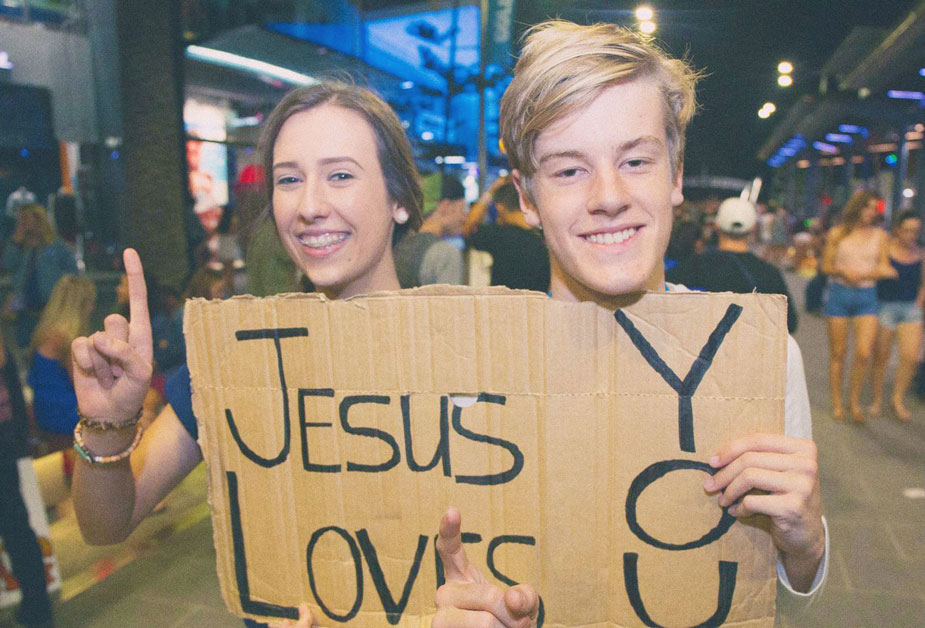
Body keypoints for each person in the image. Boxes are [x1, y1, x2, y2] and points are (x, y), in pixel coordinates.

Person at [433, 20, 827, 627]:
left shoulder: (761, 359)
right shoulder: (463, 376)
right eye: (569, 170)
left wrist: (806, 542)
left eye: (636, 160)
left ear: (674, 175)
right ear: (528, 197)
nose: (608, 195)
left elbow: (783, 580)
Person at [68, 81, 424, 628]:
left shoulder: (463, 357)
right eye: (289, 180)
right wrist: (108, 422)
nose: (309, 206)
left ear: (399, 198)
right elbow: (105, 525)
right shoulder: (235, 360)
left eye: (341, 175)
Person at [667, 196, 799, 333]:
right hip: (750, 349)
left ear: (716, 225)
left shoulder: (696, 265)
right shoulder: (770, 273)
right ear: (753, 228)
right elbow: (790, 323)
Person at [820, 190, 896, 423]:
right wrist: (843, 271)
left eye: (874, 208)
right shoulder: (838, 233)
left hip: (867, 294)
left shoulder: (880, 236)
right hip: (840, 293)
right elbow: (826, 265)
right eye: (866, 207)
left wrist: (865, 273)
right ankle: (837, 402)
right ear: (857, 207)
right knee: (839, 353)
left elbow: (885, 267)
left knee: (863, 352)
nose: (870, 212)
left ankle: (853, 400)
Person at [0, 330, 55, 628]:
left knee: (16, 527)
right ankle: (38, 607)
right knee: (17, 526)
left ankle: (36, 607)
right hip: (5, 439)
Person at [27, 275, 97, 450]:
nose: (93, 308)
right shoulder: (68, 338)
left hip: (43, 411)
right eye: (90, 302)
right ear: (80, 305)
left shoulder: (45, 331)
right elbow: (81, 385)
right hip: (64, 417)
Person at [868, 210, 924, 421]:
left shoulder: (920, 253)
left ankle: (897, 398)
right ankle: (876, 399)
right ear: (898, 230)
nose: (911, 235)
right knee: (881, 357)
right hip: (886, 306)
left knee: (910, 356)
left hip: (910, 309)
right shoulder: (886, 250)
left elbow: (923, 283)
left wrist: (919, 301)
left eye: (915, 231)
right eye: (907, 230)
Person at [1, 204, 78, 349]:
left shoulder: (55, 246)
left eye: (26, 218)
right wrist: (16, 239)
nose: (23, 223)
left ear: (38, 219)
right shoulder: (20, 246)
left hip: (50, 305)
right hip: (24, 308)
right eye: (20, 219)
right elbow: (7, 265)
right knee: (24, 345)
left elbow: (72, 270)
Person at [465, 179, 551, 292]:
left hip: (501, 307)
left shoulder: (500, 236)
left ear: (499, 207)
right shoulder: (545, 239)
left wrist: (490, 191)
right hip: (538, 307)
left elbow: (468, 227)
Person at [394, 175, 467, 288]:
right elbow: (449, 305)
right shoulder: (446, 254)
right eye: (462, 209)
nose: (464, 218)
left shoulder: (397, 245)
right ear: (445, 206)